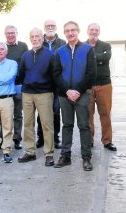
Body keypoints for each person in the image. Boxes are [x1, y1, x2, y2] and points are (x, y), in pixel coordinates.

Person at [53, 21, 96, 171]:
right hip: (65, 96)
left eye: (73, 30)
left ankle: (86, 158)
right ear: (64, 33)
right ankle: (65, 156)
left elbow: (91, 73)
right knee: (67, 125)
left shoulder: (87, 50)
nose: (70, 33)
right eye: (67, 31)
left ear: (78, 31)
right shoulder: (59, 51)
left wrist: (77, 90)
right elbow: (56, 74)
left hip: (82, 94)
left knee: (84, 126)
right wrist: (67, 91)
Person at [17, 28, 55, 166]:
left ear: (42, 38)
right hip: (27, 93)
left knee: (46, 124)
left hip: (44, 93)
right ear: (30, 38)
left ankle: (49, 154)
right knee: (28, 124)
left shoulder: (50, 55)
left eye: (37, 36)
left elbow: (54, 75)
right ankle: (30, 152)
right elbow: (20, 74)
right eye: (32, 36)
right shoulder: (25, 55)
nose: (35, 39)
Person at [86, 23, 117, 151]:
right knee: (88, 115)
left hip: (104, 85)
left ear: (99, 32)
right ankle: (89, 141)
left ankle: (107, 141)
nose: (94, 32)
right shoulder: (82, 46)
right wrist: (99, 59)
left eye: (96, 30)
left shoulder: (106, 45)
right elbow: (83, 61)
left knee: (105, 114)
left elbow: (107, 56)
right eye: (91, 29)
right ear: (87, 31)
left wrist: (91, 58)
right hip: (87, 87)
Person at [36, 19, 66, 149]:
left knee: (55, 111)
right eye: (48, 26)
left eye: (52, 25)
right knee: (41, 112)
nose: (50, 27)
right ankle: (41, 137)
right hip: (42, 83)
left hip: (57, 84)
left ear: (56, 27)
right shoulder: (38, 42)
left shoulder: (62, 43)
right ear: (44, 28)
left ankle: (55, 138)